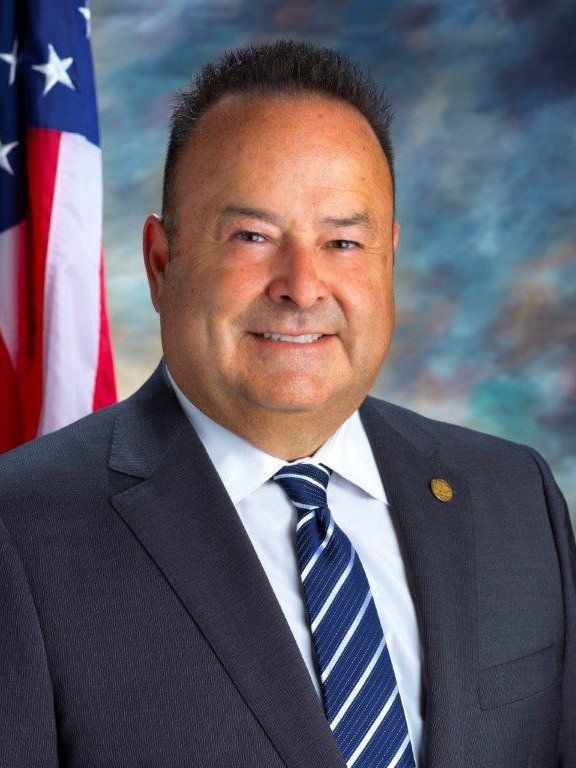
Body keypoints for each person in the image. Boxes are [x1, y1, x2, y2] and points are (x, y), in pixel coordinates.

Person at [0, 37, 574, 768]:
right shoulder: (20, 536)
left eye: (342, 243)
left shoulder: (515, 498)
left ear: (389, 259)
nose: (302, 287)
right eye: (251, 235)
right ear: (161, 262)